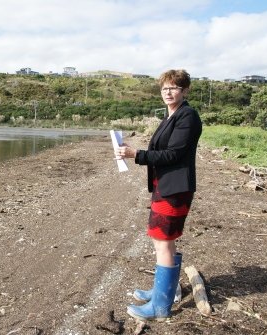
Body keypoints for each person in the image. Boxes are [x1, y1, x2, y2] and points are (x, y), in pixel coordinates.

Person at [115, 69, 202, 321]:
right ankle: (163, 290)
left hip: (175, 189)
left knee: (163, 240)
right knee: (162, 239)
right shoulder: (170, 116)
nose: (168, 92)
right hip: (164, 186)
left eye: (174, 87)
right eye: (164, 88)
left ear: (185, 91)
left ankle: (160, 307)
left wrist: (136, 155)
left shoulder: (188, 116)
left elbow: (173, 154)